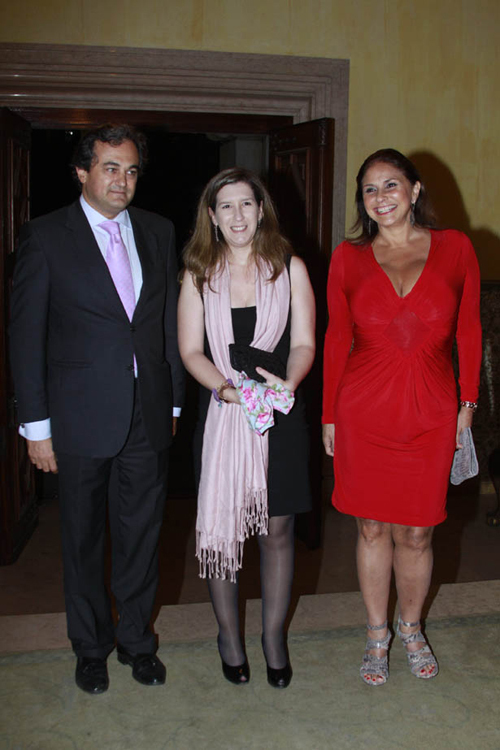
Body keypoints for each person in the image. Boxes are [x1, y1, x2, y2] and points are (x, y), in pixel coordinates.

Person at [9, 124, 184, 694]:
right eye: (110, 168)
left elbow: (165, 323)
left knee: (141, 536)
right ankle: (90, 647)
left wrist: (174, 399)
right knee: (82, 540)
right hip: (78, 416)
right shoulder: (45, 236)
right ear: (82, 172)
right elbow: (26, 338)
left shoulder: (158, 231)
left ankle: (136, 641)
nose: (122, 181)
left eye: (131, 170)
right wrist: (36, 427)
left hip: (147, 412)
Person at [322, 148, 482, 686]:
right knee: (370, 528)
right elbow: (337, 338)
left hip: (431, 411)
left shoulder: (455, 248)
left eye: (390, 184)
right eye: (369, 189)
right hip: (363, 411)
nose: (380, 197)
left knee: (417, 533)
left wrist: (467, 404)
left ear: (414, 190)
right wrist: (329, 416)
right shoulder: (348, 257)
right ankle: (376, 634)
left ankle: (410, 627)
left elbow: (469, 331)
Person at [178, 167, 315, 688]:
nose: (238, 215)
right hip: (224, 413)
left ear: (262, 210)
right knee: (224, 529)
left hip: (279, 414)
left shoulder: (290, 268)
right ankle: (229, 638)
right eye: (226, 206)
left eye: (246, 204)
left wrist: (288, 383)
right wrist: (226, 389)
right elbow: (190, 350)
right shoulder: (197, 275)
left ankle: (273, 637)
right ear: (212, 217)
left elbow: (303, 342)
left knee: (278, 530)